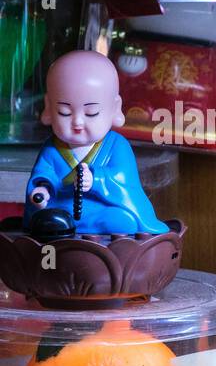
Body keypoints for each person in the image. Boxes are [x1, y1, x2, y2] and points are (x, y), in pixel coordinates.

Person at [23, 50, 168, 237]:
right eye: (64, 113)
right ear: (49, 108)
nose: (77, 122)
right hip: (60, 212)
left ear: (114, 108)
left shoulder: (117, 145)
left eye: (91, 113)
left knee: (123, 221)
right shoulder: (51, 149)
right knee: (48, 220)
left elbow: (124, 180)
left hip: (101, 212)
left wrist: (96, 179)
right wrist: (40, 194)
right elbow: (42, 177)